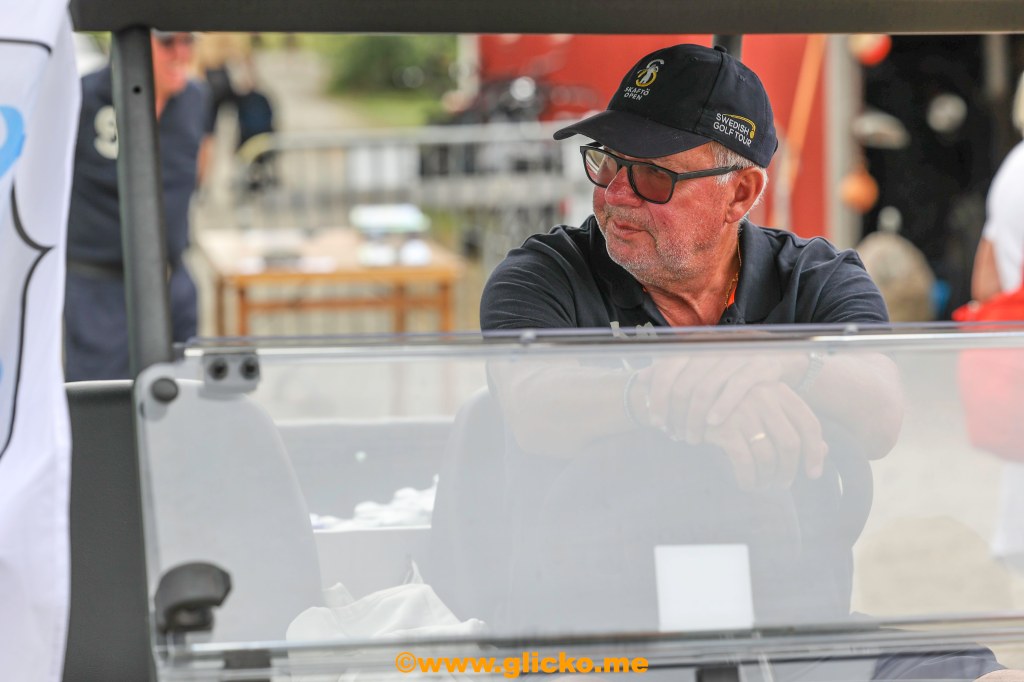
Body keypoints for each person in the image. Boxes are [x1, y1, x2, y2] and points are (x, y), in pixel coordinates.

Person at [64, 30, 213, 381]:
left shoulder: (194, 99)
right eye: (167, 43)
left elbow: (200, 162)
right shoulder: (82, 98)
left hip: (172, 281)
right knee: (105, 398)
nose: (181, 53)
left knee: (182, 396)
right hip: (100, 288)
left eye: (188, 42)